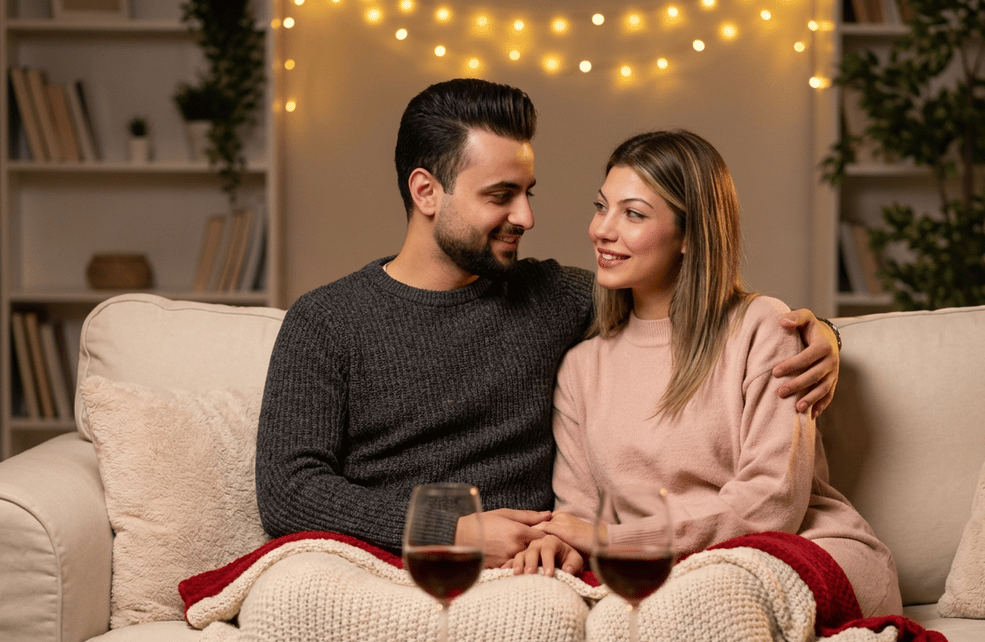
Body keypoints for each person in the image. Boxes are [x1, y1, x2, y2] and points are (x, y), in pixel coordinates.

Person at [256, 78, 843, 570]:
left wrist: (823, 336)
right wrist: (453, 528)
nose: (527, 217)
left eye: (527, 192)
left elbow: (685, 301)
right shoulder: (327, 321)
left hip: (528, 568)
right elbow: (289, 491)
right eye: (501, 195)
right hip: (379, 558)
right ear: (426, 190)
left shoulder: (554, 297)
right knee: (296, 598)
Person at [510, 129, 901, 617]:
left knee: (697, 605)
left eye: (632, 213)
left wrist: (613, 538)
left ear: (691, 235)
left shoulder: (763, 327)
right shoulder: (581, 368)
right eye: (601, 206)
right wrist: (561, 544)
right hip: (661, 569)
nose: (602, 230)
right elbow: (580, 515)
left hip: (790, 549)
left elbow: (771, 501)